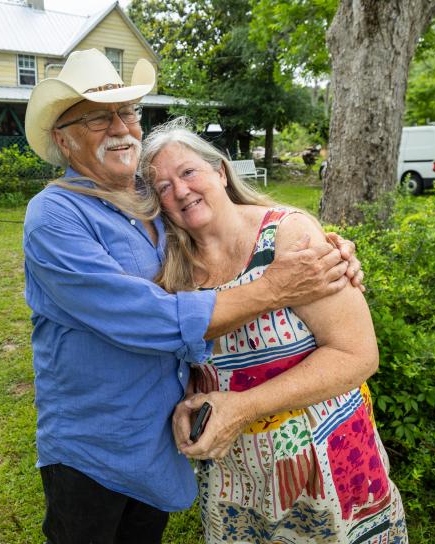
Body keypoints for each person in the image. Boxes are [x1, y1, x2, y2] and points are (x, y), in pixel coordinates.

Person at [22, 48, 364, 544]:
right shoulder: (54, 216)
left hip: (158, 445)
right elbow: (144, 317)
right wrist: (273, 289)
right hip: (91, 449)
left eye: (128, 112)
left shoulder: (151, 209)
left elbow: (228, 221)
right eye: (98, 118)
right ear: (64, 139)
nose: (121, 127)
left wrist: (328, 248)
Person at [139, 119, 407, 543]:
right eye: (163, 188)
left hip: (328, 466)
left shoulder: (289, 236)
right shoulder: (173, 274)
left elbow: (358, 354)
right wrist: (188, 405)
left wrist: (243, 408)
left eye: (187, 172)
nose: (181, 190)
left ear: (220, 172)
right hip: (236, 479)